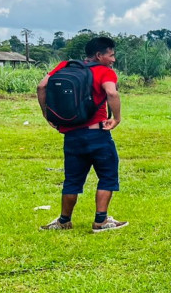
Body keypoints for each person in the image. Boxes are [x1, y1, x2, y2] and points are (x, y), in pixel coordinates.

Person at [37, 36, 128, 233]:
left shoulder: (64, 66)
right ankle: (101, 221)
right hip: (98, 134)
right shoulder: (105, 72)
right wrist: (117, 118)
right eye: (111, 55)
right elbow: (112, 93)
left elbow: (41, 86)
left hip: (71, 135)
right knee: (107, 176)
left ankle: (63, 221)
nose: (113, 60)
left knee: (72, 180)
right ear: (99, 55)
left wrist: (47, 115)